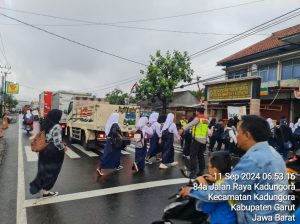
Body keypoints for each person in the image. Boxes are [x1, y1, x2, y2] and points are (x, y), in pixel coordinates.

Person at [180, 115, 292, 223]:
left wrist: (191, 191)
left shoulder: (253, 159)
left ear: (247, 135)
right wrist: (219, 178)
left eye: (238, 132)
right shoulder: (274, 154)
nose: (236, 136)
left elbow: (222, 192)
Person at [29, 109, 66, 197]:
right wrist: (63, 147)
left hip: (44, 150)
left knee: (43, 170)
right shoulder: (57, 126)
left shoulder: (45, 124)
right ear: (57, 117)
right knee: (52, 172)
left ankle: (37, 186)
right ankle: (46, 192)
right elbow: (57, 142)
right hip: (53, 152)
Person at [193, 151, 237, 224]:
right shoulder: (231, 179)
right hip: (231, 218)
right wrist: (216, 178)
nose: (208, 169)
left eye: (209, 167)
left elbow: (205, 208)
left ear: (215, 169)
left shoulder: (218, 188)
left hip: (220, 221)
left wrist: (204, 186)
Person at [182, 107, 208, 178]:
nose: (195, 112)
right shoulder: (206, 119)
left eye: (196, 111)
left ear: (198, 112)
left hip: (196, 140)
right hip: (203, 140)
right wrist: (207, 139)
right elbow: (206, 131)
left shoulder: (198, 118)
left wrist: (182, 129)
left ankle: (193, 172)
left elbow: (190, 124)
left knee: (193, 155)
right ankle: (201, 171)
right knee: (201, 155)